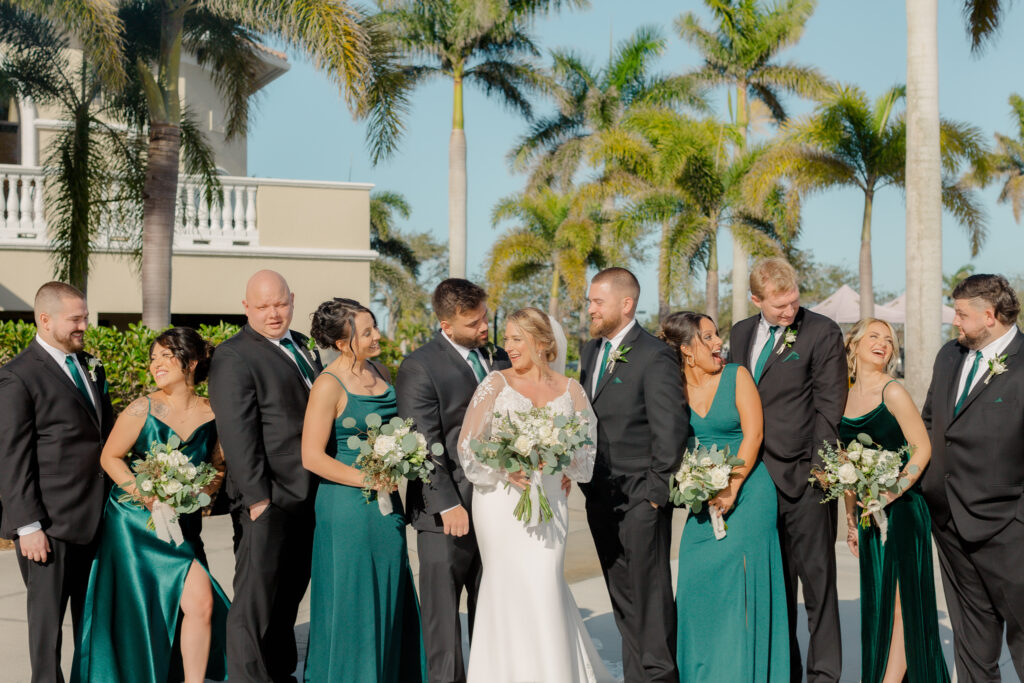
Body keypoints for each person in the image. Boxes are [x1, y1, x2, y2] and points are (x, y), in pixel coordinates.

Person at [456, 307, 615, 683]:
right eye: (507, 338)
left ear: (543, 343)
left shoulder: (571, 389)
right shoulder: (495, 384)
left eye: (517, 339)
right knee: (506, 585)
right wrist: (503, 467)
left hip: (549, 499)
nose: (508, 346)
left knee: (544, 580)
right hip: (499, 499)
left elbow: (586, 453)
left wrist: (560, 465)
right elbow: (468, 446)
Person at [73, 327, 231, 683]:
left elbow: (217, 467)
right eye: (153, 357)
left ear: (190, 362)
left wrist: (198, 494)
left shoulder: (213, 412)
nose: (156, 363)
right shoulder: (142, 407)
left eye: (166, 355)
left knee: (200, 603)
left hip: (182, 524)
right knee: (140, 611)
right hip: (134, 525)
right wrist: (145, 492)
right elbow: (110, 458)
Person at [726, 257, 847, 683]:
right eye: (779, 306)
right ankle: (785, 673)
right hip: (754, 482)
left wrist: (820, 471)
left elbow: (830, 406)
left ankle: (825, 675)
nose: (789, 311)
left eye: (793, 301)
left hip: (805, 480)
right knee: (774, 588)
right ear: (755, 299)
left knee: (818, 588)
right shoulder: (740, 332)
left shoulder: (821, 332)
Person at [300, 298, 426, 681]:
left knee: (389, 588)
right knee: (353, 598)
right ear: (341, 343)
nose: (376, 336)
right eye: (366, 331)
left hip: (389, 504)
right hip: (347, 505)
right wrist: (368, 479)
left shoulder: (381, 370)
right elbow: (311, 456)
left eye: (374, 327)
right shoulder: (327, 385)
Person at [208, 270, 323, 683]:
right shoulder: (233, 355)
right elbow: (237, 434)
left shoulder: (304, 347)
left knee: (289, 595)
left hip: (309, 494)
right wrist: (258, 498)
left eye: (280, 303)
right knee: (254, 604)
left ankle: (279, 672)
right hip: (267, 498)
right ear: (246, 307)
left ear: (292, 299)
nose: (273, 314)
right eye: (262, 306)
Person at [660, 312, 789, 682]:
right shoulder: (674, 388)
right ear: (686, 350)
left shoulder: (736, 376)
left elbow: (754, 434)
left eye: (718, 336)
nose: (719, 343)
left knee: (741, 593)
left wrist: (732, 486)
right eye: (708, 337)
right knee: (695, 585)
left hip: (748, 492)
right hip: (702, 500)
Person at [395, 279, 510, 683]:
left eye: (484, 316)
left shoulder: (497, 357)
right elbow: (422, 442)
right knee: (443, 617)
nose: (484, 326)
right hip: (447, 511)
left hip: (498, 505)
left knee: (491, 605)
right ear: (446, 323)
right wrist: (447, 503)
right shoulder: (420, 366)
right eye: (473, 321)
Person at [578, 268, 688, 683]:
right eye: (590, 301)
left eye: (597, 301)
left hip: (642, 499)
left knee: (651, 600)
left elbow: (671, 429)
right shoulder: (590, 352)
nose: (590, 308)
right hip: (600, 498)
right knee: (622, 599)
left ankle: (660, 677)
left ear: (626, 304)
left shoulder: (654, 355)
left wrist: (656, 495)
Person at [0, 282, 113, 683]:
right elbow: (11, 457)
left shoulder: (90, 365)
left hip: (97, 519)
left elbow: (106, 435)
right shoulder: (17, 377)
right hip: (48, 527)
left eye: (85, 316)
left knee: (92, 623)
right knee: (47, 631)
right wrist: (27, 526)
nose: (85, 325)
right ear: (45, 320)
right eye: (76, 319)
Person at [920, 274, 1024, 680]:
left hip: (1009, 529)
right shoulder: (949, 355)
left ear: (991, 314)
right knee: (972, 644)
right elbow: (932, 422)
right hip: (948, 525)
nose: (955, 322)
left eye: (962, 314)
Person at [839, 318, 948, 683]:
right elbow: (846, 466)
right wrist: (852, 520)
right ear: (853, 344)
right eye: (874, 336)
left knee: (903, 606)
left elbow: (922, 447)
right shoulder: (842, 395)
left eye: (889, 340)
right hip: (871, 516)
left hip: (901, 511)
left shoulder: (893, 392)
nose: (883, 343)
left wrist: (894, 489)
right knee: (880, 604)